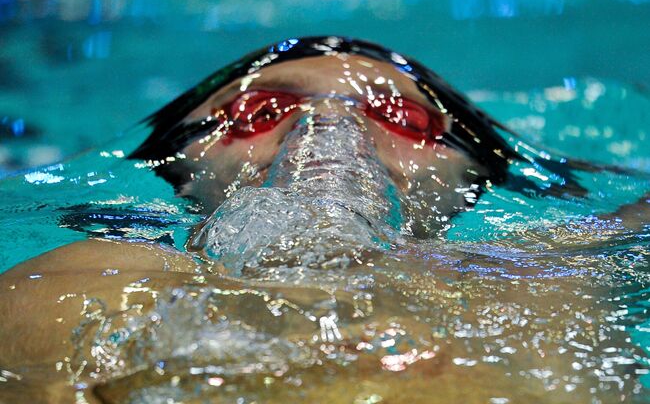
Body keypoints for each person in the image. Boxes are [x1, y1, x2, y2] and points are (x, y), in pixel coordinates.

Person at [1, 37, 647, 403]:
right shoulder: (86, 284)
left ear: (474, 180)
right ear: (178, 167)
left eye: (405, 120)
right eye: (255, 114)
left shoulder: (555, 269)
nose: (331, 127)